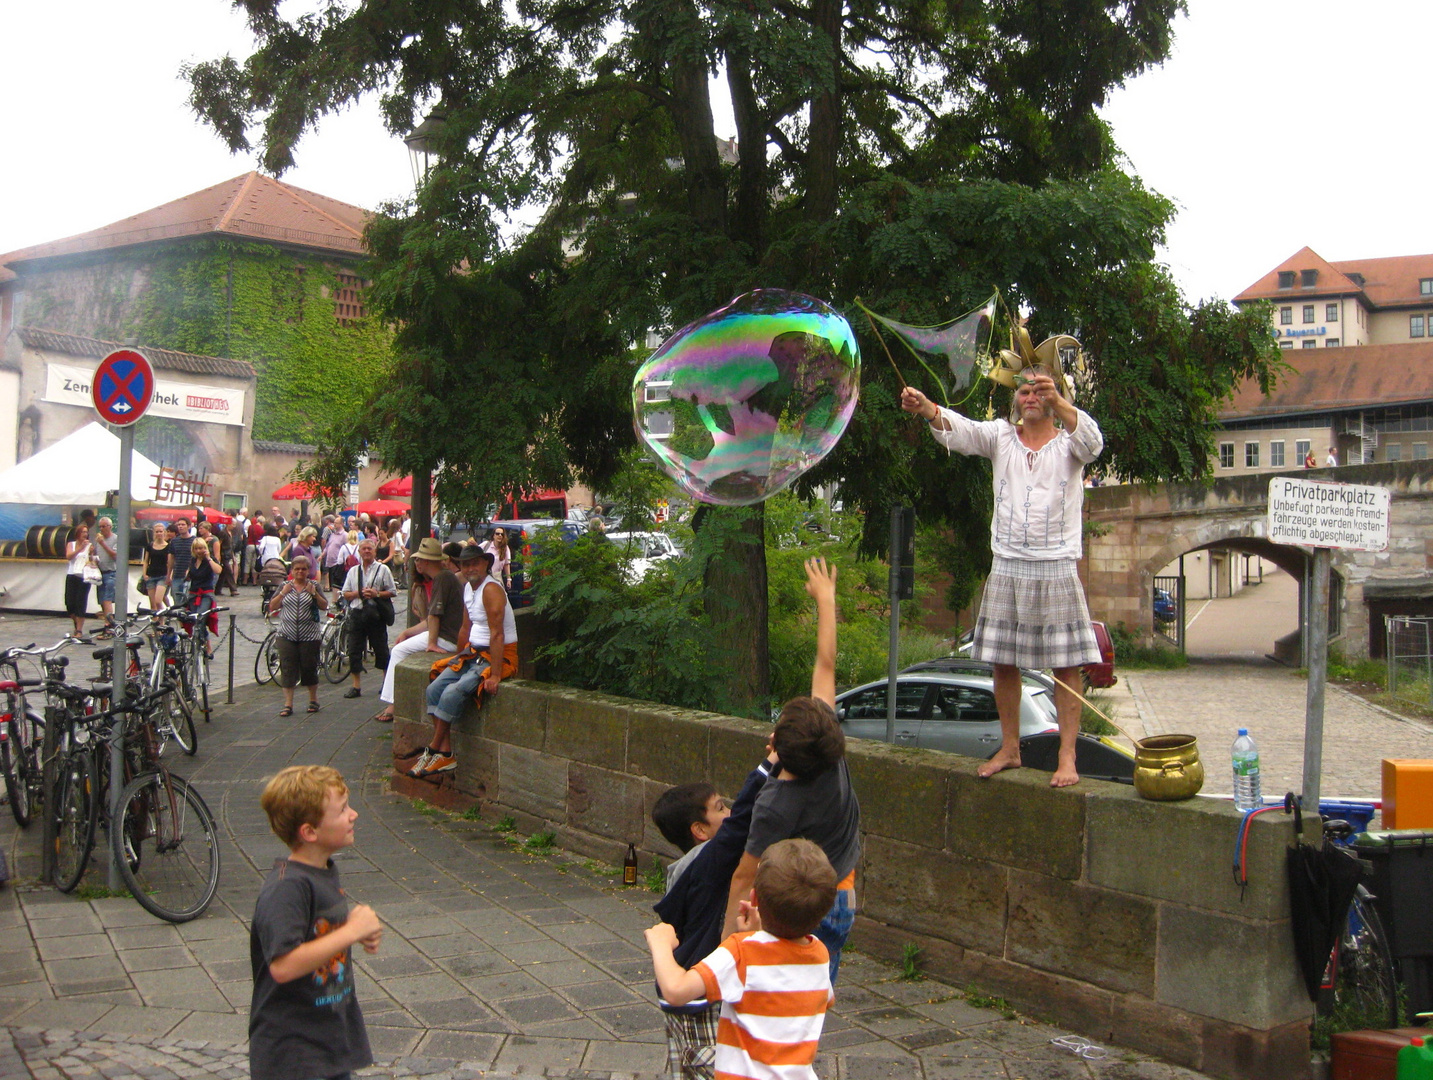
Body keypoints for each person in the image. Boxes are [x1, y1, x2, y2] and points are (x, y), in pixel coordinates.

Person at [901, 367, 1103, 787]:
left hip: (1056, 565)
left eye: (1039, 390)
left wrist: (1061, 400)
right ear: (1016, 401)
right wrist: (928, 409)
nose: (1030, 396)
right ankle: (1010, 748)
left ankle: (1067, 756)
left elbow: (1095, 443)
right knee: (1002, 663)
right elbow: (962, 430)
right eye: (1024, 391)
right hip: (1008, 563)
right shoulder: (1001, 437)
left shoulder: (1070, 444)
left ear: (1052, 398)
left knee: (1066, 666)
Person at [720, 557, 860, 984]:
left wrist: (726, 950)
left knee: (776, 996)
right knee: (814, 996)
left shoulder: (777, 803)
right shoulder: (828, 748)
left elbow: (745, 875)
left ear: (778, 746)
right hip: (840, 897)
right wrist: (826, 599)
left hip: (793, 906)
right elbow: (826, 664)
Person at [645, 839, 836, 1080]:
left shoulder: (741, 952)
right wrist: (755, 937)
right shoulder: (819, 953)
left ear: (753, 898)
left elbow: (675, 991)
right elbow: (812, 996)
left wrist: (660, 943)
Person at [650, 752, 780, 1078]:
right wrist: (770, 764)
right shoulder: (707, 863)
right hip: (702, 1002)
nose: (730, 811)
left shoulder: (687, 870)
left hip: (687, 999)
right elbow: (741, 824)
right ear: (700, 830)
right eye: (720, 808)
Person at [250, 765, 379, 1080]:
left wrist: (352, 933)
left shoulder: (321, 871)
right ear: (309, 832)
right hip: (293, 1054)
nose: (354, 815)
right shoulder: (287, 887)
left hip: (328, 1041)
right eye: (342, 810)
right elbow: (283, 965)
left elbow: (315, 936)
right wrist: (349, 931)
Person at [406, 547, 517, 777]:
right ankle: (445, 755)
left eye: (475, 563)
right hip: (473, 653)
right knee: (434, 688)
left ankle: (434, 749)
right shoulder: (468, 588)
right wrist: (456, 658)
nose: (470, 569)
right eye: (465, 565)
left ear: (486, 565)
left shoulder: (491, 590)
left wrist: (495, 675)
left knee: (451, 693)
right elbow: (465, 628)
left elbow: (497, 635)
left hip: (496, 655)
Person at [371, 538, 464, 724]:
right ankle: (393, 701)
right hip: (449, 635)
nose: (417, 563)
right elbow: (432, 618)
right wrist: (408, 632)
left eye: (419, 560)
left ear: (427, 561)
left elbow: (435, 616)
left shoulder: (442, 579)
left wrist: (431, 643)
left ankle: (392, 703)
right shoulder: (444, 577)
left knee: (398, 651)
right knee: (402, 646)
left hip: (447, 638)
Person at [268, 556, 328, 716]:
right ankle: (288, 704)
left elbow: (324, 606)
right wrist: (282, 594)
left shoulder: (314, 585)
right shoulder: (284, 586)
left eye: (303, 569)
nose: (300, 572)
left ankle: (313, 700)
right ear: (292, 571)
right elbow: (272, 606)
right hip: (286, 634)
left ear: (308, 571)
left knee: (309, 668)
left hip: (309, 635)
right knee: (287, 668)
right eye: (297, 569)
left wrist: (314, 594)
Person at [340, 540, 395, 700]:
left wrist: (376, 594)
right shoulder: (353, 571)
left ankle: (386, 683)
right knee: (354, 649)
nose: (366, 551)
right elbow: (345, 593)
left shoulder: (383, 569)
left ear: (375, 551)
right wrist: (359, 593)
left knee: (381, 649)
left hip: (375, 615)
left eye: (369, 549)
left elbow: (392, 591)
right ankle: (356, 686)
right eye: (363, 549)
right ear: (359, 552)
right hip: (357, 613)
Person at [185, 537, 223, 654]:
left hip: (206, 594)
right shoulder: (192, 561)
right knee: (194, 621)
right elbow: (189, 575)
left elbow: (218, 570)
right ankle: (202, 644)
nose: (199, 551)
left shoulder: (210, 560)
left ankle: (204, 647)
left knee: (200, 618)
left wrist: (209, 558)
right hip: (193, 593)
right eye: (196, 548)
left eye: (201, 548)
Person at [63, 523, 94, 639]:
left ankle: (79, 629)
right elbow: (69, 556)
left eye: (86, 532)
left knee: (81, 602)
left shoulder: (89, 545)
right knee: (70, 603)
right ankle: (76, 624)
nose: (85, 534)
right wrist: (80, 549)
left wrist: (91, 552)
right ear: (77, 534)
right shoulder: (71, 544)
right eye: (83, 532)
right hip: (72, 574)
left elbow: (92, 560)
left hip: (84, 576)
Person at [92, 517, 119, 636]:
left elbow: (115, 556)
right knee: (102, 600)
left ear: (110, 527)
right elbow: (97, 555)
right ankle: (108, 623)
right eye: (100, 527)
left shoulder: (115, 539)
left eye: (104, 526)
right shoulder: (98, 540)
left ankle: (109, 626)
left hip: (111, 572)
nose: (102, 529)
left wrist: (103, 543)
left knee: (107, 599)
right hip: (100, 572)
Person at [141, 523, 171, 614]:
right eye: (157, 532)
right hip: (151, 575)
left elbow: (170, 563)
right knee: (153, 604)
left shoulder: (168, 546)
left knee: (158, 600)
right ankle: (156, 623)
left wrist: (169, 575)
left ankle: (162, 620)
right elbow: (146, 561)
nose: (159, 533)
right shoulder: (150, 546)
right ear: (154, 533)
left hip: (163, 575)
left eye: (160, 531)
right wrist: (144, 573)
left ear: (164, 532)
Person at [166, 517, 195, 607]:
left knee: (188, 600)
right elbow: (171, 559)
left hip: (190, 576)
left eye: (183, 525)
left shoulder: (194, 540)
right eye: (179, 525)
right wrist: (168, 575)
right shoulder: (174, 541)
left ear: (189, 526)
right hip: (177, 574)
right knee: (177, 600)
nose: (180, 527)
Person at [482, 527, 513, 591]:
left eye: (502, 534)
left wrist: (508, 579)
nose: (500, 535)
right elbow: (475, 553)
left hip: (497, 577)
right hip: (484, 577)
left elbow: (506, 565)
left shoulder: (505, 548)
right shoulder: (486, 545)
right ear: (493, 535)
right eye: (497, 534)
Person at [322, 523, 347, 593]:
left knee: (336, 584)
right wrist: (322, 555)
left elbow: (347, 548)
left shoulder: (345, 535)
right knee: (331, 582)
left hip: (337, 562)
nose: (334, 525)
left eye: (336, 523)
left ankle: (336, 598)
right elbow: (327, 546)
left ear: (341, 524)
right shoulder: (332, 535)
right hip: (329, 561)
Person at [246, 513, 267, 584]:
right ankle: (254, 581)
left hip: (249, 545)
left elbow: (248, 535)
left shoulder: (250, 527)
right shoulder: (261, 529)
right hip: (257, 546)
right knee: (255, 563)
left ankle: (244, 581)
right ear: (262, 522)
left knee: (247, 562)